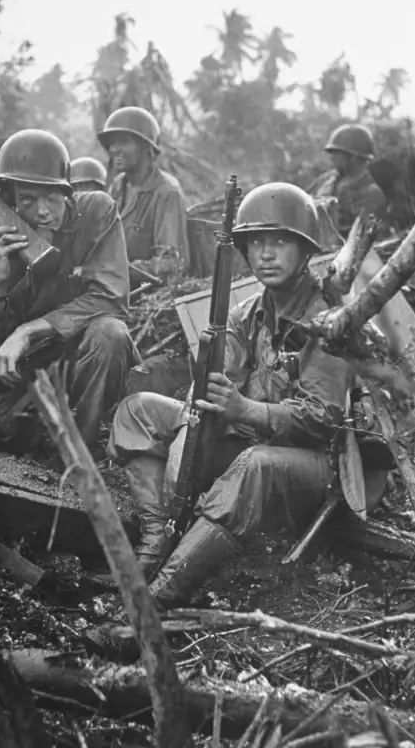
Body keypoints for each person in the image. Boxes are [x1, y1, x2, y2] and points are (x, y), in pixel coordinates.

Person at [106, 182, 350, 606]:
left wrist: (245, 408)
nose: (266, 254)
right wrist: (199, 405)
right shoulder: (247, 312)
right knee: (137, 411)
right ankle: (155, 536)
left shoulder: (329, 321)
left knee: (254, 464)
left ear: (306, 250)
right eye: (256, 243)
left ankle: (160, 595)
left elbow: (322, 419)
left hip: (314, 468)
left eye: (279, 242)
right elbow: (219, 388)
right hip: (247, 444)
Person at [0, 128, 139, 448]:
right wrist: (0, 281)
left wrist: (27, 331)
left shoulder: (96, 211)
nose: (42, 211)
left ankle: (82, 448)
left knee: (111, 333)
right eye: (28, 199)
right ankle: (36, 433)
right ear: (11, 199)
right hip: (18, 366)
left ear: (67, 193)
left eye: (52, 198)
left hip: (81, 356)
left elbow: (111, 298)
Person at [98, 106, 191, 279]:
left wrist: (119, 270)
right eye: (112, 143)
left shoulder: (166, 193)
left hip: (144, 295)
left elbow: (173, 263)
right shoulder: (118, 186)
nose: (115, 149)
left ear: (146, 147)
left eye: (124, 141)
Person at [308, 124, 389, 251]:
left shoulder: (372, 195)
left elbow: (361, 241)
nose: (331, 158)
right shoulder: (325, 180)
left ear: (353, 157)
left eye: (336, 153)